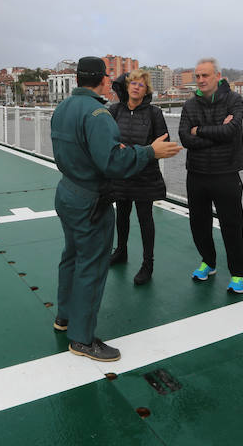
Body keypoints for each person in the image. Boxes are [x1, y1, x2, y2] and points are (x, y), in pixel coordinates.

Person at [51, 57, 182, 362]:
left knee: (71, 256)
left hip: (66, 191)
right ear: (104, 79)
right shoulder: (98, 113)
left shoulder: (63, 108)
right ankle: (82, 339)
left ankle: (64, 317)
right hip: (90, 200)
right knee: (91, 266)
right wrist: (150, 152)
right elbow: (112, 163)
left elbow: (77, 148)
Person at [178, 57, 243, 293]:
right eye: (197, 76)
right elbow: (186, 139)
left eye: (205, 75)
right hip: (196, 174)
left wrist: (200, 131)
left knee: (232, 225)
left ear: (218, 76)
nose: (200, 80)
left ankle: (239, 273)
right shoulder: (189, 105)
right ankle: (208, 262)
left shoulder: (234, 100)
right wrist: (216, 134)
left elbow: (231, 131)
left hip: (226, 173)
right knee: (198, 223)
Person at [107, 69, 169, 285]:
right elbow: (107, 139)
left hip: (145, 175)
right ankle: (121, 251)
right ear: (126, 86)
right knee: (121, 215)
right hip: (122, 174)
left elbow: (163, 141)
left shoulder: (154, 113)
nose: (135, 87)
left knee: (145, 220)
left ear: (146, 90)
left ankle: (147, 264)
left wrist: (146, 151)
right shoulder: (114, 111)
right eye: (132, 83)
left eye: (140, 84)